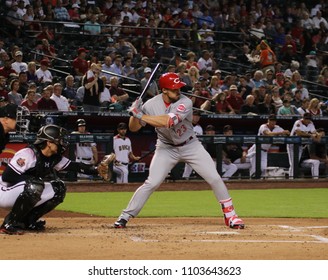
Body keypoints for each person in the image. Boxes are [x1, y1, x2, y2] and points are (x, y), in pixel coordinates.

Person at [113, 72, 244, 230]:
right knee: (151, 183)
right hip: (166, 147)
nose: (178, 91)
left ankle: (231, 216)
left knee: (215, 178)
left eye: (179, 88)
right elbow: (133, 128)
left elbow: (169, 121)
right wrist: (135, 114)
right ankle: (125, 216)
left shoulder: (185, 102)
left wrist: (141, 115)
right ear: (164, 91)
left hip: (191, 145)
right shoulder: (150, 105)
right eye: (174, 89)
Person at [0, 124, 102, 235]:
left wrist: (97, 170)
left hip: (24, 190)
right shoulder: (28, 154)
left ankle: (27, 221)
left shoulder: (54, 157)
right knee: (35, 185)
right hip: (5, 191)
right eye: (59, 140)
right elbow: (7, 177)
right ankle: (8, 224)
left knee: (59, 187)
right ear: (48, 142)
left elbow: (75, 166)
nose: (63, 143)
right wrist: (32, 180)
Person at [287, 113, 321, 179]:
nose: (307, 120)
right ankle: (291, 179)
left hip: (299, 145)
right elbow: (298, 133)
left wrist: (318, 135)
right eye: (306, 119)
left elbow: (314, 132)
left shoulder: (311, 123)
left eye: (309, 119)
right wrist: (310, 135)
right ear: (303, 118)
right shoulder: (298, 122)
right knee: (293, 163)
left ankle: (292, 178)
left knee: (296, 163)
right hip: (292, 144)